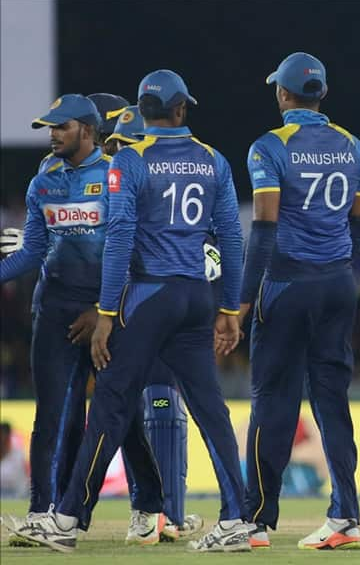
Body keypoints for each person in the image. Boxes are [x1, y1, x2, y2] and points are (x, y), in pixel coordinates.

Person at [19, 69, 251, 553]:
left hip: (148, 297)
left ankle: (66, 520)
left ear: (139, 114)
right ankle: (237, 521)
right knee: (210, 409)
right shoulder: (213, 160)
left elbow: (121, 235)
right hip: (196, 298)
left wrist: (106, 312)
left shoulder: (131, 160)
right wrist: (230, 306)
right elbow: (230, 236)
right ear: (182, 109)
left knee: (110, 405)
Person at [0, 94, 168, 548]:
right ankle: (41, 513)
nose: (52, 134)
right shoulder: (45, 178)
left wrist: (103, 310)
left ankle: (152, 508)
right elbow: (33, 251)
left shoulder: (117, 176)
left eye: (61, 127)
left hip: (107, 311)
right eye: (49, 128)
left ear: (88, 131)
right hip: (53, 310)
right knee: (51, 417)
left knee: (119, 414)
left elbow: (133, 252)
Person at [239, 51, 360, 551]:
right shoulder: (353, 146)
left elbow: (265, 228)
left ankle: (253, 521)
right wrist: (335, 264)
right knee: (332, 402)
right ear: (322, 95)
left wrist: (242, 300)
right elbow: (359, 226)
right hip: (338, 285)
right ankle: (346, 518)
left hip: (287, 284)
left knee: (273, 401)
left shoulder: (269, 147)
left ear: (282, 94)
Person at [102, 102, 207, 543]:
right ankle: (153, 514)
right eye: (115, 144)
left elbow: (203, 237)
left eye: (125, 142)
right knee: (133, 414)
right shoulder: (114, 183)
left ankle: (165, 515)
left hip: (146, 309)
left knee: (160, 408)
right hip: (124, 312)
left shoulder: (145, 180)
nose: (121, 151)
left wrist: (208, 258)